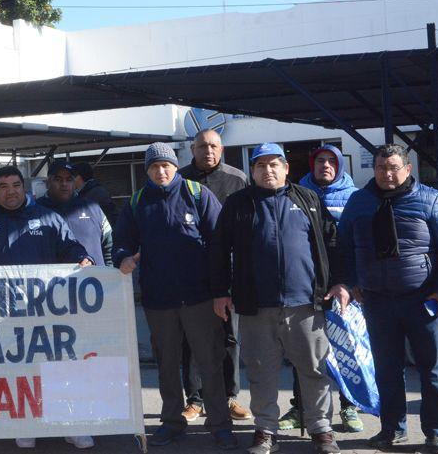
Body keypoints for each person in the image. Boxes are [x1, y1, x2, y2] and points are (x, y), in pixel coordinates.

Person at [210, 143, 348, 454]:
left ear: (286, 168)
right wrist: (220, 292)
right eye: (261, 165)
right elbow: (219, 250)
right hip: (255, 305)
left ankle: (321, 428)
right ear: (253, 171)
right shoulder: (237, 203)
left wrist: (340, 282)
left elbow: (332, 242)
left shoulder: (307, 198)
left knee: (314, 369)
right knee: (260, 370)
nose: (268, 170)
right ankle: (265, 430)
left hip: (305, 304)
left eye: (274, 164)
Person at [0, 165, 94, 450]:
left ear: (23, 188)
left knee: (60, 368)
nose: (10, 191)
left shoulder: (48, 217)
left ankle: (74, 425)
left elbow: (71, 247)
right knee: (20, 371)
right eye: (4, 186)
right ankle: (27, 423)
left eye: (15, 185)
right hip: (5, 315)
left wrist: (82, 258)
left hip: (48, 309)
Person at [113, 143, 237, 450]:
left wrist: (222, 291)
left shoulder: (197, 194)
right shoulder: (138, 201)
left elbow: (221, 243)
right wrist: (123, 258)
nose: (160, 171)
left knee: (209, 362)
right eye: (154, 167)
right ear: (147, 171)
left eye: (165, 165)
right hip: (159, 300)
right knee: (167, 365)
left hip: (199, 297)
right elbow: (120, 242)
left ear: (175, 166)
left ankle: (220, 424)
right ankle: (171, 423)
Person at [339, 144, 438, 453]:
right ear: (374, 169)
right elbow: (343, 246)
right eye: (382, 168)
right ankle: (391, 430)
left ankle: (436, 432)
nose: (388, 174)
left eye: (394, 168)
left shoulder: (432, 200)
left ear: (408, 169)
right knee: (387, 369)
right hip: (377, 301)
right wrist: (351, 282)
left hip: (423, 299)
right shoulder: (359, 202)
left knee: (433, 369)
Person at [281, 145, 362, 433]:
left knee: (345, 350)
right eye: (319, 161)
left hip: (343, 287)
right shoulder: (295, 194)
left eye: (331, 161)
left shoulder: (355, 196)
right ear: (311, 165)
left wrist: (353, 284)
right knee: (304, 351)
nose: (325, 165)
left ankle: (349, 406)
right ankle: (300, 407)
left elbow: (359, 243)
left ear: (339, 166)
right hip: (308, 287)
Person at [178, 130, 251, 423]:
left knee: (230, 338)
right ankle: (194, 399)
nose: (207, 151)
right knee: (191, 339)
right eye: (202, 146)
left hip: (229, 273)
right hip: (191, 273)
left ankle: (229, 396)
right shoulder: (178, 180)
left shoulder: (238, 179)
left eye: (213, 146)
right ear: (192, 149)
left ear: (221, 149)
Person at [37, 161, 113, 266]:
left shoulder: (93, 209)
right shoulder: (34, 211)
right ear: (47, 182)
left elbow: (110, 246)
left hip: (93, 280)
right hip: (48, 280)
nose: (64, 184)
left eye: (69, 179)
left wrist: (110, 276)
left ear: (74, 183)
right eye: (58, 179)